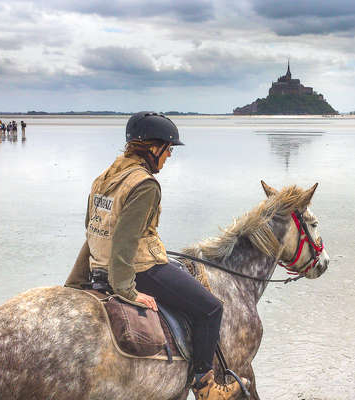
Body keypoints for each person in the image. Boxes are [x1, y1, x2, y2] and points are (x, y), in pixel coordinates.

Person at [64, 112, 247, 399]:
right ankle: (205, 385)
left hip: (99, 267)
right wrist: (127, 291)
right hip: (137, 269)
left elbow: (93, 230)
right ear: (153, 148)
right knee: (211, 308)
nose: (169, 155)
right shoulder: (145, 184)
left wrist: (75, 281)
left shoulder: (105, 177)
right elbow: (124, 239)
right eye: (169, 149)